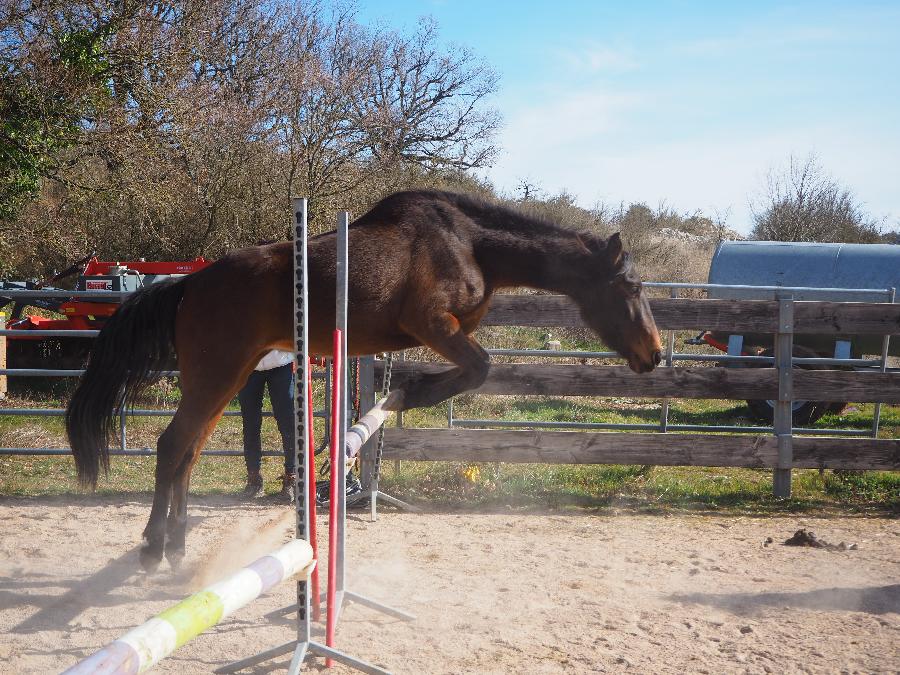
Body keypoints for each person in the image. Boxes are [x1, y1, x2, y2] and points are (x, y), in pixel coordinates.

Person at [239, 349, 296, 501]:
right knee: (250, 423)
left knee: (287, 421)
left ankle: (292, 477)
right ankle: (253, 479)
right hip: (249, 363)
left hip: (281, 362)